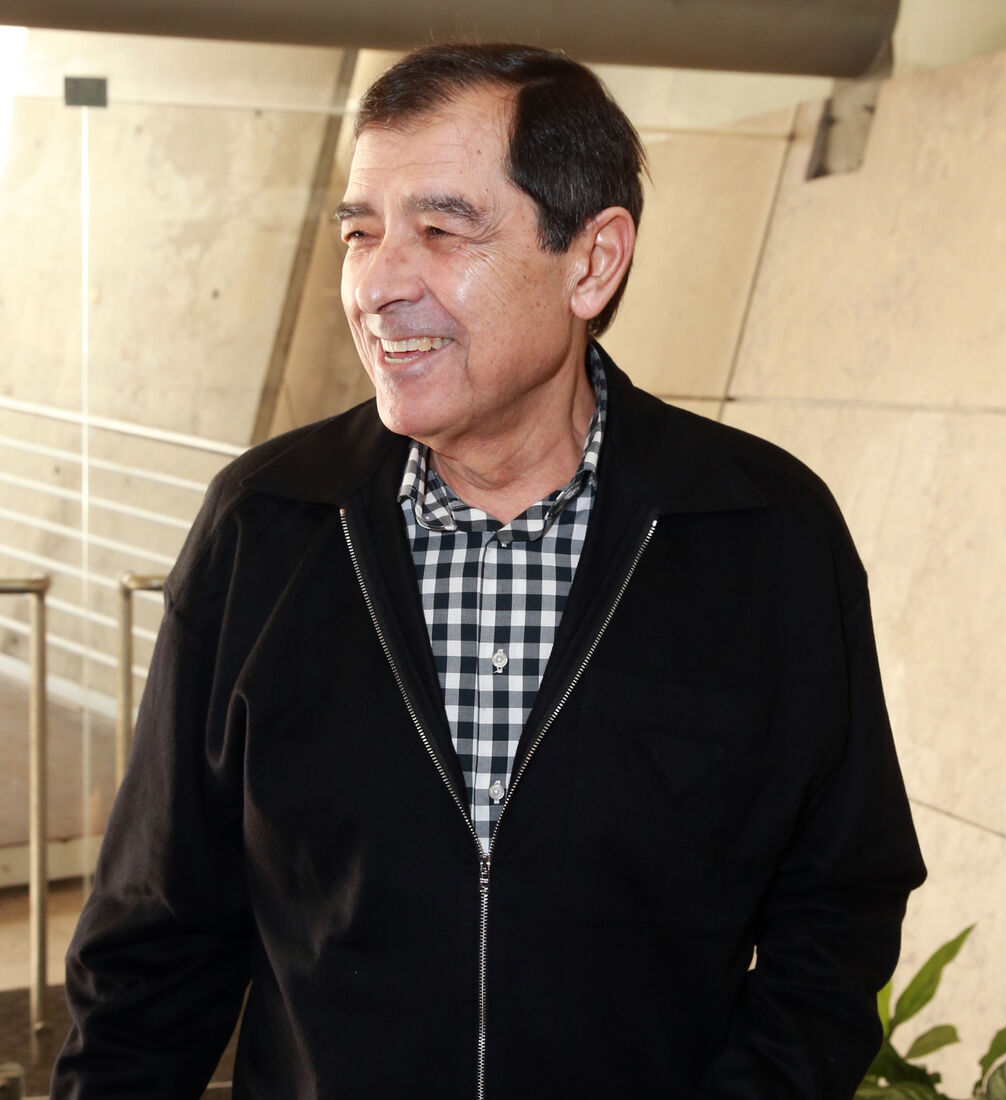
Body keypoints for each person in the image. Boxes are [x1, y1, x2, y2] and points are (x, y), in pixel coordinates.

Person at [53, 42, 925, 1100]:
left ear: (591, 262)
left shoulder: (764, 535)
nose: (377, 284)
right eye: (360, 232)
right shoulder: (266, 526)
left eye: (440, 229)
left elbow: (837, 904)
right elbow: (154, 941)